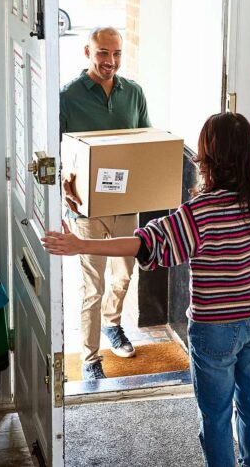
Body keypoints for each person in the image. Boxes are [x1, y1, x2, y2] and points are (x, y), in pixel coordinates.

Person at [44, 112, 250, 467]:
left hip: (216, 332)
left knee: (217, 417)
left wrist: (80, 245)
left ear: (208, 157)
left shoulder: (202, 212)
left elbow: (145, 243)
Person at [60, 26, 151, 381]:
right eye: (102, 53)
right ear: (87, 52)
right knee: (92, 285)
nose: (110, 61)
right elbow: (55, 151)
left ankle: (113, 324)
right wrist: (63, 184)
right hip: (86, 206)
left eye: (115, 54)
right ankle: (89, 355)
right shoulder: (68, 97)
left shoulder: (134, 93)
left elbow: (145, 143)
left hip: (126, 204)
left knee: (124, 275)